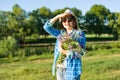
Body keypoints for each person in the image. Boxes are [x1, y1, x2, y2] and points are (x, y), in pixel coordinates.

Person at [43, 9, 86, 80]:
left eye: (69, 20)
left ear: (74, 21)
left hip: (72, 69)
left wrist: (63, 51)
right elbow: (46, 27)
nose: (66, 22)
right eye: (64, 20)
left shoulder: (79, 34)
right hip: (60, 69)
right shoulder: (61, 34)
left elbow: (80, 53)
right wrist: (57, 16)